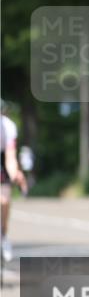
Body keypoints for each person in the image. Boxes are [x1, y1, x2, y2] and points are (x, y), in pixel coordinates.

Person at [1, 100, 28, 262]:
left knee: (3, 200)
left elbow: (10, 157)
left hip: (2, 158)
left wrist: (14, 173)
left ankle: (3, 234)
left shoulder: (8, 126)